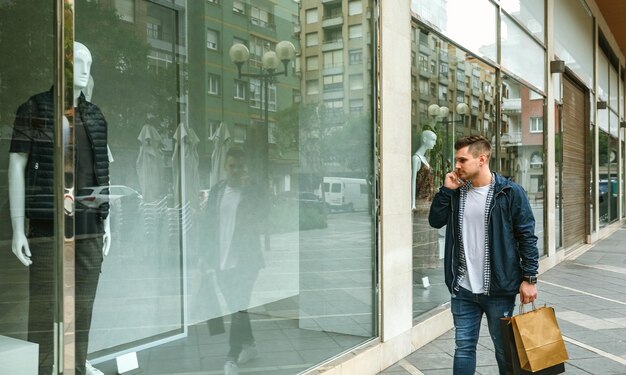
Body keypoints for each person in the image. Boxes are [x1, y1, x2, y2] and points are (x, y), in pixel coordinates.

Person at [9, 42, 109, 375]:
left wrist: (107, 222)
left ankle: (75, 368)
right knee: (43, 308)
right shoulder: (34, 108)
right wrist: (17, 227)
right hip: (48, 225)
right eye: (78, 60)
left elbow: (102, 171)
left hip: (89, 225)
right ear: (62, 65)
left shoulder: (95, 116)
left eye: (89, 62)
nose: (85, 68)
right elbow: (16, 165)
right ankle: (39, 369)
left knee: (82, 307)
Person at [428, 135, 539, 375]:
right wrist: (446, 191)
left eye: (462, 160)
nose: (456, 165)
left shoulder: (510, 192)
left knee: (504, 350)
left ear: (481, 159)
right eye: (456, 160)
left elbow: (527, 237)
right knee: (463, 348)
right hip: (463, 289)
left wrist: (529, 279)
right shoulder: (456, 193)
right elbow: (435, 221)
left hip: (499, 289)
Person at [205, 147, 265, 375]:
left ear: (245, 167)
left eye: (240, 166)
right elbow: (207, 224)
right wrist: (203, 256)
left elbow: (264, 215)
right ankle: (250, 346)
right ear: (225, 167)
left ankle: (231, 357)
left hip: (246, 261)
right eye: (232, 166)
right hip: (221, 260)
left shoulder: (252, 192)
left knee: (238, 307)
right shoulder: (217, 191)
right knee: (236, 307)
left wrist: (253, 189)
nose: (236, 171)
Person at [411, 129, 437, 210]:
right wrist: (413, 204)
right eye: (433, 140)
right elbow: (413, 181)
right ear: (424, 139)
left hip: (429, 201)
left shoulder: (425, 159)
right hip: (421, 201)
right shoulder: (416, 158)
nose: (435, 143)